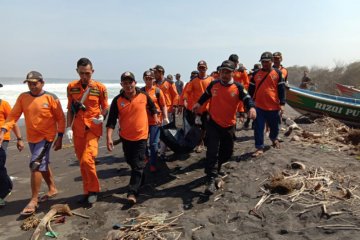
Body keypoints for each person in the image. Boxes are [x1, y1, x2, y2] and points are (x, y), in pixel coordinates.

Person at [0, 71, 65, 215]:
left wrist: (60, 136)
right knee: (43, 163)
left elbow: (60, 118)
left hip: (47, 137)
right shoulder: (23, 97)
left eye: (35, 83)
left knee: (35, 164)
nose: (32, 86)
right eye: (29, 83)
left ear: (42, 82)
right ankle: (52, 188)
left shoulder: (51, 97)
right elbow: (13, 116)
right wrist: (4, 130)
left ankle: (33, 200)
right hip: (32, 138)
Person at [193, 60, 256, 194]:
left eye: (227, 72)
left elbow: (247, 98)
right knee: (212, 151)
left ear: (233, 73)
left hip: (229, 125)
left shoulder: (238, 87)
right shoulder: (214, 84)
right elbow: (206, 95)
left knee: (227, 152)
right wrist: (198, 104)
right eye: (222, 71)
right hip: (213, 123)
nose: (224, 74)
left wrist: (251, 108)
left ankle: (217, 166)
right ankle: (211, 178)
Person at [106, 71, 159, 204]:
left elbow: (153, 108)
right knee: (131, 162)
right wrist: (109, 138)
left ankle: (132, 192)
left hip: (141, 136)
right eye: (125, 83)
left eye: (130, 82)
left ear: (135, 83)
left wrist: (156, 117)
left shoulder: (143, 95)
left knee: (138, 165)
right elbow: (111, 121)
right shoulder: (117, 100)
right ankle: (142, 178)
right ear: (121, 84)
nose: (128, 85)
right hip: (125, 137)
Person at [65, 58, 109, 204]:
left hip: (93, 128)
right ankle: (86, 190)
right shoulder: (71, 87)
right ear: (77, 71)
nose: (84, 76)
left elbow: (105, 106)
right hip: (77, 129)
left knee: (87, 159)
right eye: (82, 73)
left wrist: (103, 116)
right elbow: (70, 109)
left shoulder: (100, 88)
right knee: (81, 162)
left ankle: (94, 189)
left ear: (93, 72)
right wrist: (68, 127)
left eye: (88, 73)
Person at [248, 52, 286, 157]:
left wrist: (282, 104)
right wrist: (249, 105)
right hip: (258, 106)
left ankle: (274, 139)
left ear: (272, 61)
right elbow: (250, 91)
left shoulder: (278, 73)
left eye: (267, 62)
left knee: (275, 127)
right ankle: (259, 147)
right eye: (263, 62)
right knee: (258, 127)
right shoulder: (255, 74)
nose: (265, 64)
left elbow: (281, 90)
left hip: (274, 106)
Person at [0, 85, 24, 206]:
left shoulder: (4, 104)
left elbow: (12, 121)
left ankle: (4, 191)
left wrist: (19, 139)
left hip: (3, 139)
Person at [182, 60, 213, 153]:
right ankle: (200, 143)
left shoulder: (211, 80)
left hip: (209, 107)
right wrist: (185, 100)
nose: (202, 69)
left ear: (207, 68)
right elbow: (187, 92)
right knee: (198, 126)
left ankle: (206, 143)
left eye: (203, 67)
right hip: (198, 109)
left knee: (208, 127)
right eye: (200, 67)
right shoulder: (194, 81)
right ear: (197, 68)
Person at [141, 70, 168, 172]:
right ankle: (147, 157)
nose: (148, 80)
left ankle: (153, 163)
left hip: (156, 122)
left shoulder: (157, 91)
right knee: (143, 143)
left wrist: (165, 117)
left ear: (153, 79)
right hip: (143, 122)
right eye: (146, 78)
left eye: (150, 78)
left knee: (153, 144)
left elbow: (163, 105)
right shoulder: (140, 91)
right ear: (144, 79)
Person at [152, 65, 179, 159]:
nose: (154, 74)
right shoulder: (153, 83)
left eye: (155, 72)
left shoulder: (170, 82)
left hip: (168, 111)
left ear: (161, 72)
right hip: (156, 112)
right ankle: (161, 151)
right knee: (158, 132)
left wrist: (174, 106)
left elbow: (175, 95)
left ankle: (162, 153)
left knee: (167, 132)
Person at [229, 54, 250, 126]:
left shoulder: (241, 71)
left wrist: (241, 90)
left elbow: (247, 83)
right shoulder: (227, 70)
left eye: (235, 62)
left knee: (238, 110)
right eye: (232, 61)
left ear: (237, 62)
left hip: (239, 94)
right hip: (229, 94)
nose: (234, 63)